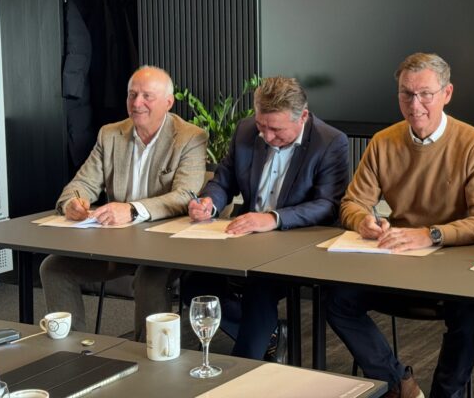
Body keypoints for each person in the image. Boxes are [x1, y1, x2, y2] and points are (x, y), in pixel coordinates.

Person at [326, 52, 474, 398]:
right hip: (399, 261)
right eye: (406, 94)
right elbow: (352, 203)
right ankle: (399, 384)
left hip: (454, 265)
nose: (414, 104)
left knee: (468, 316)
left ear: (447, 93)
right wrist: (363, 221)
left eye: (425, 94)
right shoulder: (383, 141)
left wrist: (432, 235)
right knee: (337, 300)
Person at [182, 76, 349, 359]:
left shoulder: (330, 142)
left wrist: (273, 218)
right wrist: (210, 203)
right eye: (262, 126)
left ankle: (242, 369)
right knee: (195, 284)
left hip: (297, 242)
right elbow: (223, 181)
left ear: (303, 117)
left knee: (259, 288)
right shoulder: (246, 131)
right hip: (245, 238)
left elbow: (328, 205)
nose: (267, 137)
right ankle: (269, 334)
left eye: (276, 129)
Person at [40, 65, 208, 341]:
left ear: (168, 102)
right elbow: (81, 184)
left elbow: (184, 195)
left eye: (147, 96)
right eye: (132, 95)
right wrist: (72, 202)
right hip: (118, 245)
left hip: (168, 246)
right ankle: (71, 352)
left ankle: (150, 355)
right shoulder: (110, 134)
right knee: (53, 268)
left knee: (149, 279)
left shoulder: (190, 137)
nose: (137, 103)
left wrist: (132, 210)